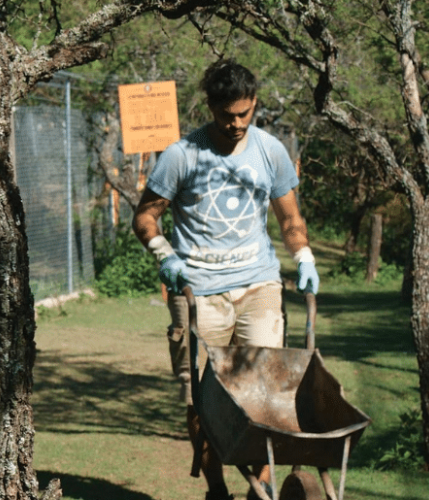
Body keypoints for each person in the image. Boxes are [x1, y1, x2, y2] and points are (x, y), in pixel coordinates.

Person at [132, 59, 319, 500]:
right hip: (198, 290)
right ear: (211, 106)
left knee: (270, 391)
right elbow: (145, 216)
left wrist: (305, 256)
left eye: (244, 113)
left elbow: (289, 218)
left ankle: (262, 486)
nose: (236, 124)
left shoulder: (269, 150)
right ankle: (217, 489)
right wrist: (164, 255)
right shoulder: (183, 154)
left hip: (258, 284)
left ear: (254, 104)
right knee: (201, 400)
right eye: (226, 115)